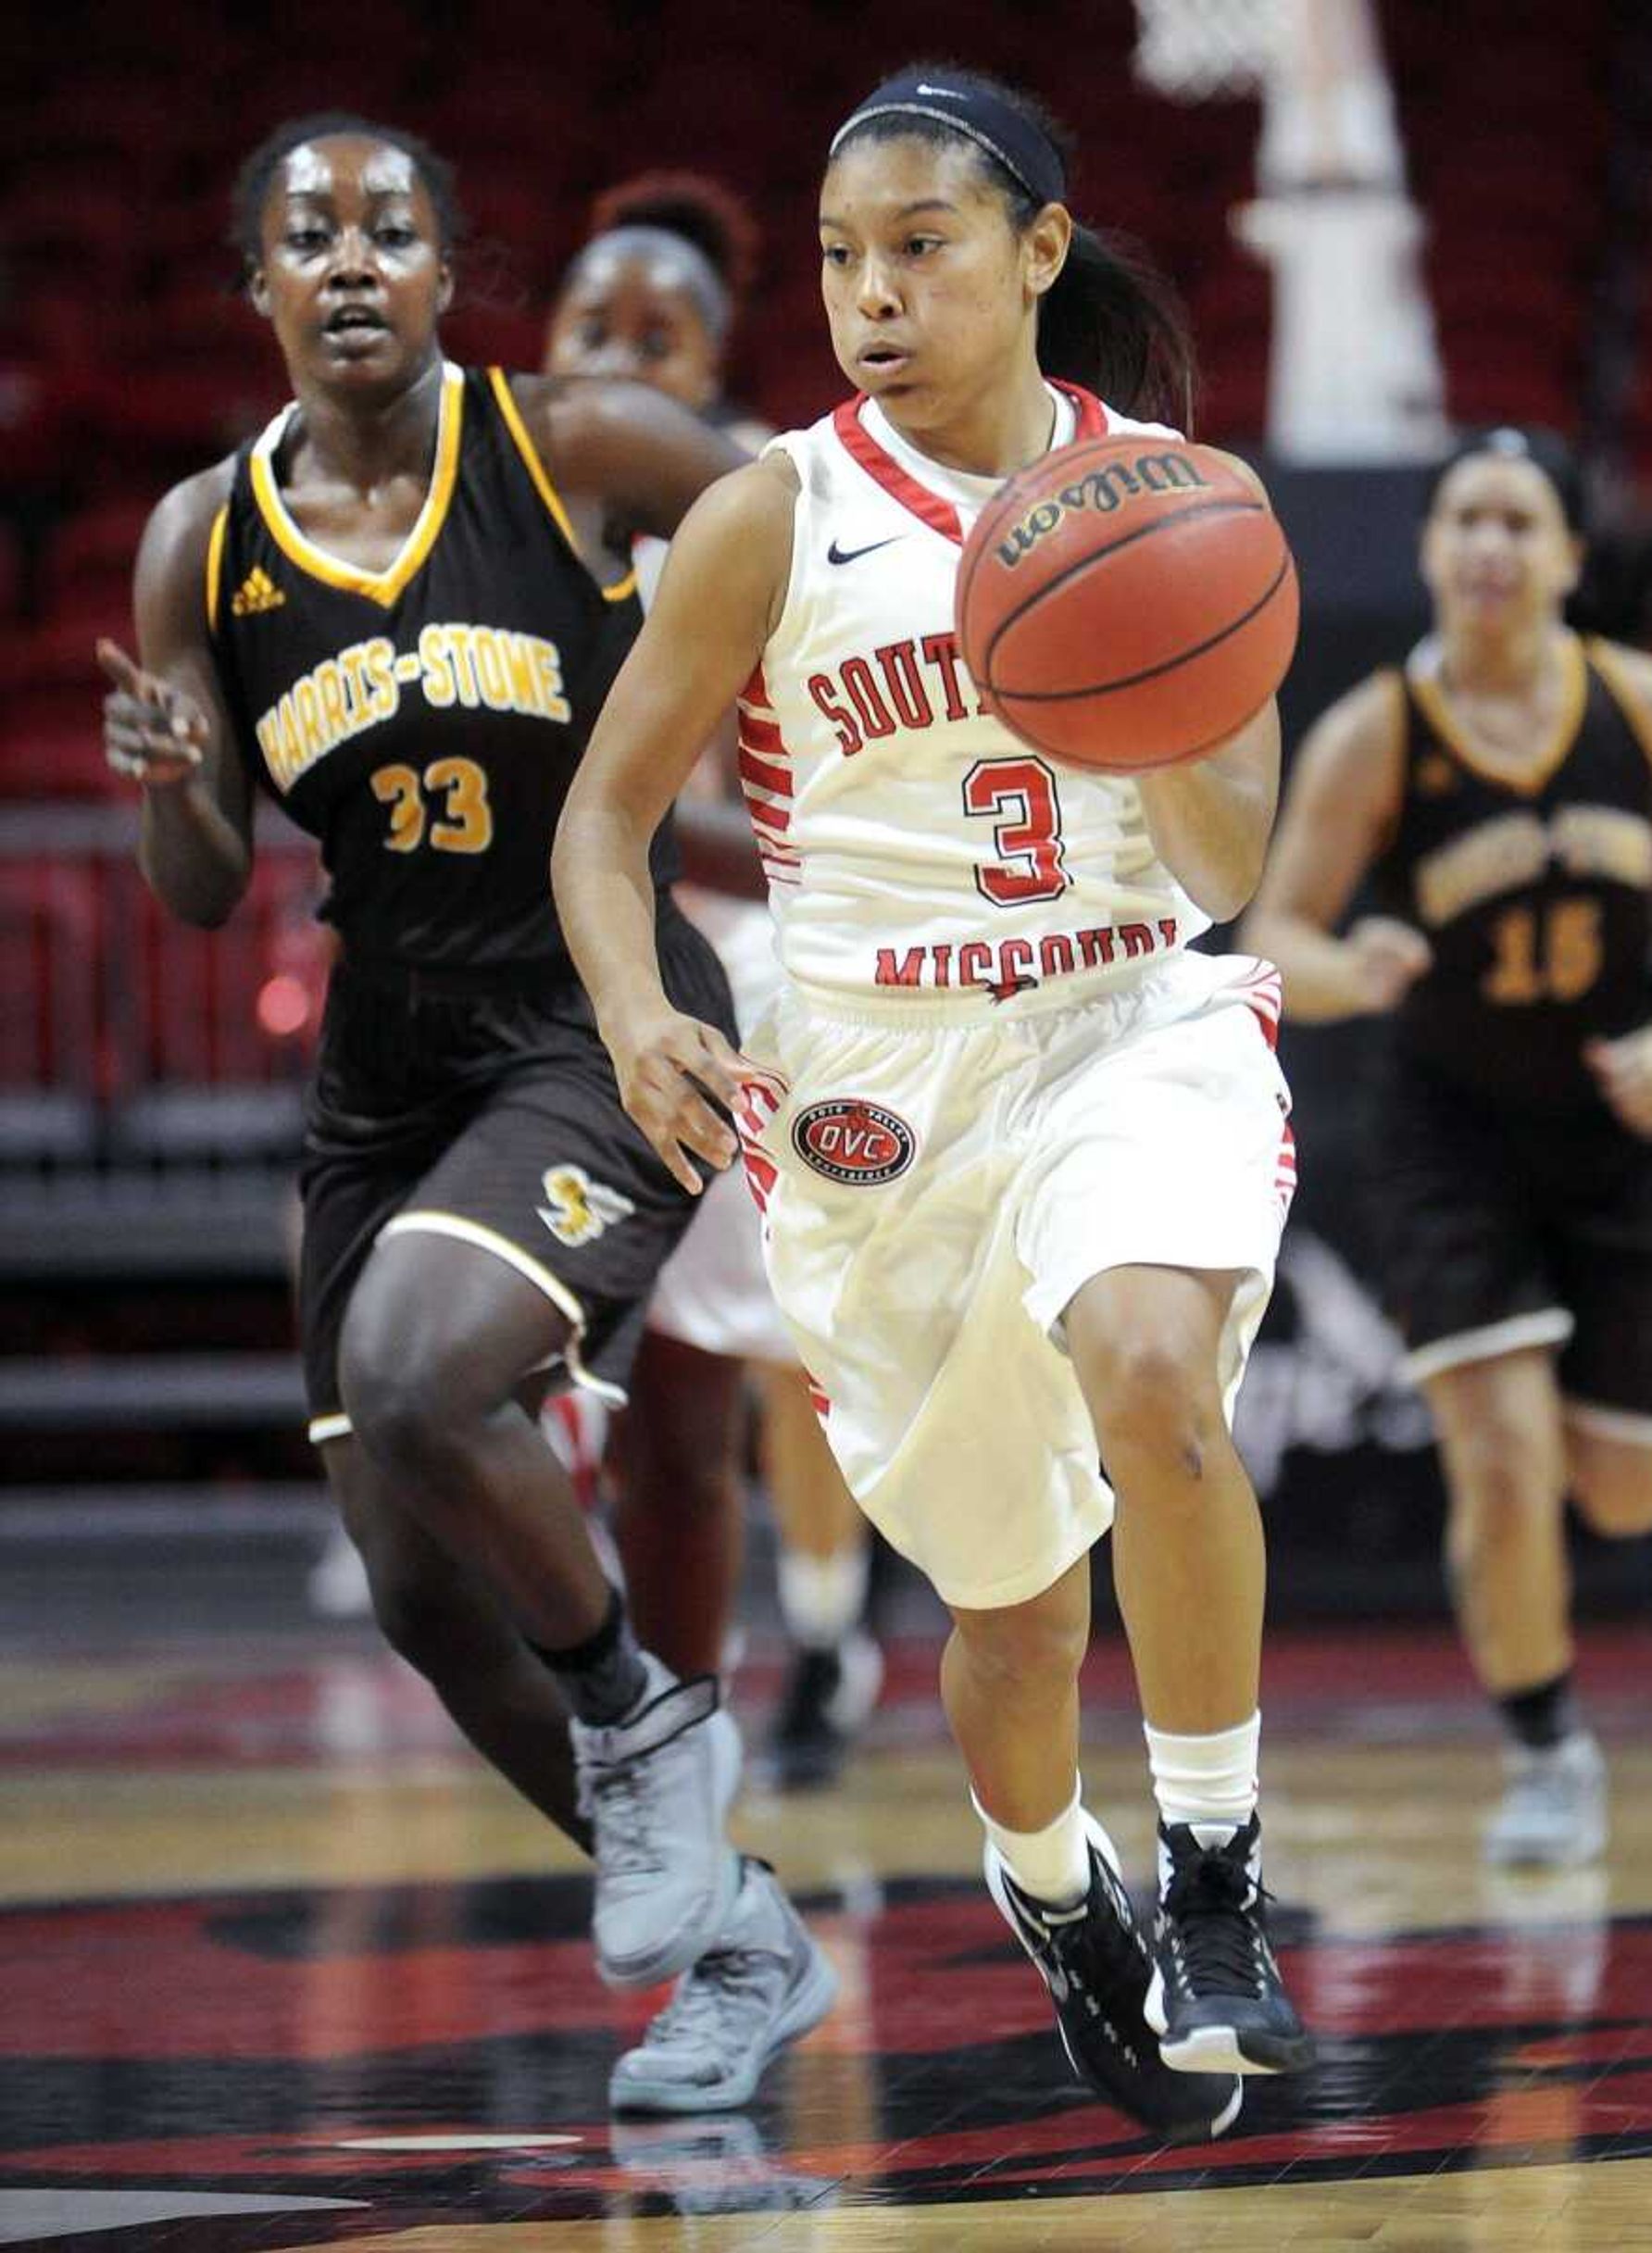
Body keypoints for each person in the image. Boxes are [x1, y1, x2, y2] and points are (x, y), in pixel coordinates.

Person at [554, 64, 1317, 2136]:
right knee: (1009, 1606)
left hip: (1124, 1013)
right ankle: (1060, 1888)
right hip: (879, 1081)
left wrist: (1148, 674)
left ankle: (1220, 1871)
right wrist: (636, 1010)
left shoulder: (1178, 499)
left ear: (1039, 253)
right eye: (838, 260)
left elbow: (1228, 864)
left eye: (921, 247)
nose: (870, 294)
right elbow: (603, 818)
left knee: (1157, 1375)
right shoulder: (769, 512)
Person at [96, 113, 833, 2111]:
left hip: (596, 1007)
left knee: (432, 1372)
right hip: (389, 1067)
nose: (350, 259)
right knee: (425, 1584)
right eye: (307, 234)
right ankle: (744, 1940)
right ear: (257, 285)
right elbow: (192, 877)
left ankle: (647, 1719)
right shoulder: (204, 538)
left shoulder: (567, 447)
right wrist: (171, 774)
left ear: (446, 273)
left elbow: (810, 504)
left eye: (391, 228)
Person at [1241, 426, 1652, 1868]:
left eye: (1519, 522)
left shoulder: (1643, 705)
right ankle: (1545, 1747)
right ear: (1427, 549)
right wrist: (1359, 967)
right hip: (1450, 1132)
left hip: (1628, 1125)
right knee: (1505, 1457)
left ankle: (1559, 1678)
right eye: (1465, 516)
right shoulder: (1377, 734)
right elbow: (1280, 930)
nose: (1488, 545)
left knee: (1628, 1488)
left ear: (1568, 560)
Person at [545, 171, 884, 1786]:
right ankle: (653, 1681)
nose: (618, 351)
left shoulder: (757, 503)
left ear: (711, 356)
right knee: (649, 1376)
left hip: (754, 959)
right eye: (590, 323)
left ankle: (820, 1633)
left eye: (654, 331)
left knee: (771, 1348)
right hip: (579, 971)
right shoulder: (506, 507)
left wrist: (645, 828)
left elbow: (787, 806)